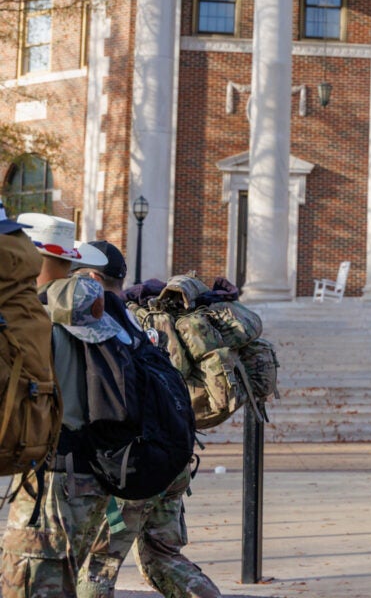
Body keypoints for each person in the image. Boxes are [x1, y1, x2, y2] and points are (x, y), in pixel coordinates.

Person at [76, 240, 223, 598]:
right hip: (171, 459)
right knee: (162, 557)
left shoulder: (99, 326)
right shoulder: (140, 320)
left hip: (132, 469)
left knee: (97, 566)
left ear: (93, 279)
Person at [1, 274, 122, 597]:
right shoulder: (109, 339)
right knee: (64, 578)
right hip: (92, 478)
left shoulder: (48, 337)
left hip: (52, 478)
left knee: (28, 581)